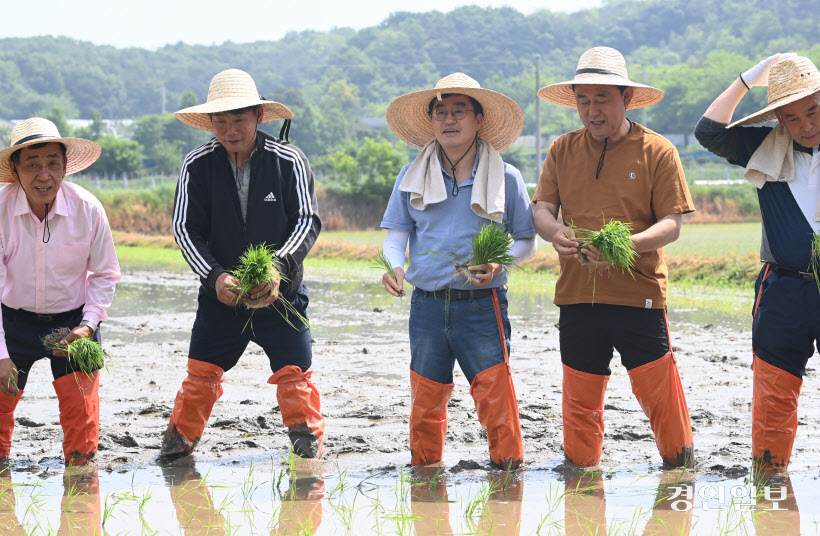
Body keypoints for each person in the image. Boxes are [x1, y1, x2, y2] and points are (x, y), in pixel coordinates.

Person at [532, 47, 695, 468]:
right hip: (576, 295)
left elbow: (671, 224)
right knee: (580, 399)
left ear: (626, 97)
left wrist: (621, 247)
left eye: (601, 98)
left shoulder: (657, 150)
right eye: (583, 101)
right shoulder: (561, 150)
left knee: (660, 394)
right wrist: (555, 233)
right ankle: (581, 479)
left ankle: (680, 468)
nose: (592, 110)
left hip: (638, 294)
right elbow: (542, 210)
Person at [162, 69, 323, 460]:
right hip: (221, 298)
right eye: (221, 120)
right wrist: (215, 277)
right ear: (211, 122)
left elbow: (307, 220)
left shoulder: (289, 160)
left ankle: (308, 455)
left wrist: (277, 269)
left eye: (239, 119)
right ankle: (175, 452)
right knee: (200, 378)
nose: (230, 129)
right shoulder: (197, 165)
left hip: (280, 296)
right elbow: (185, 228)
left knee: (295, 381)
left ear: (258, 117)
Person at [380, 72, 536, 469]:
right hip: (427, 306)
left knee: (495, 398)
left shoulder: (506, 176)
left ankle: (508, 475)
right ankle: (425, 474)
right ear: (431, 121)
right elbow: (397, 237)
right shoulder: (410, 176)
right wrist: (395, 267)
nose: (449, 120)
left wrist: (501, 263)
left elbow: (526, 240)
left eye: (459, 111)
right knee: (426, 398)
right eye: (441, 112)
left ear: (479, 120)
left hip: (483, 306)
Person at [695, 54, 820, 471]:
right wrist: (751, 77)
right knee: (774, 394)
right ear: (779, 120)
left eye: (814, 111)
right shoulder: (762, 146)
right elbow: (708, 130)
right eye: (792, 117)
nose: (806, 125)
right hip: (783, 290)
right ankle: (770, 484)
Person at [0, 117, 120, 465]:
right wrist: (1, 354)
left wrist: (88, 326)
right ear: (15, 169)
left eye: (53, 163)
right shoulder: (2, 210)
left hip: (73, 322)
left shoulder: (88, 209)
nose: (44, 175)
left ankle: (81, 481)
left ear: (66, 166)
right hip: (12, 320)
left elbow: (105, 273)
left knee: (82, 418)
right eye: (33, 164)